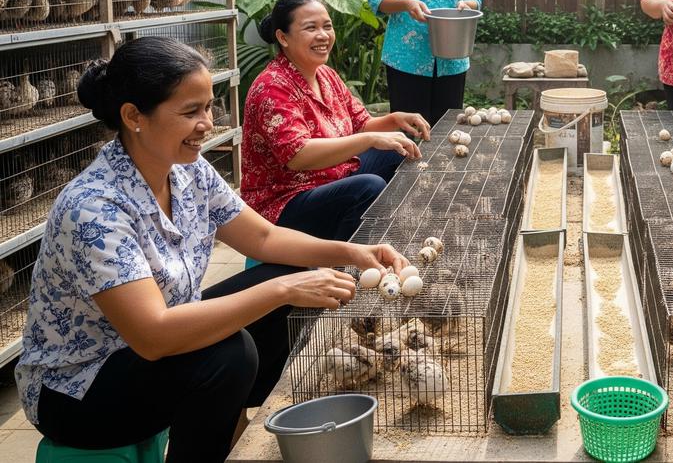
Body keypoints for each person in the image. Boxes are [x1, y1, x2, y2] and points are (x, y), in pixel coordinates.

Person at [15, 36, 408, 462]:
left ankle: (243, 414)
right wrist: (284, 290)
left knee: (286, 276)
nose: (208, 123)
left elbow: (263, 238)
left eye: (207, 107)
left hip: (150, 348)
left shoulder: (189, 170)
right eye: (190, 112)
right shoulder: (94, 207)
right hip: (80, 387)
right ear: (134, 117)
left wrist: (354, 253)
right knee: (232, 352)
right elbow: (152, 336)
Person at [242, 0, 429, 244]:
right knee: (368, 188)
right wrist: (369, 139)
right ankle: (344, 267)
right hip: (284, 201)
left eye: (327, 26)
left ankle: (383, 238)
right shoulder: (272, 87)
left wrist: (395, 120)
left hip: (330, 178)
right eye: (311, 28)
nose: (323, 35)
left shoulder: (325, 74)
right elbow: (298, 156)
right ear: (282, 37)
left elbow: (361, 123)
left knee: (398, 149)